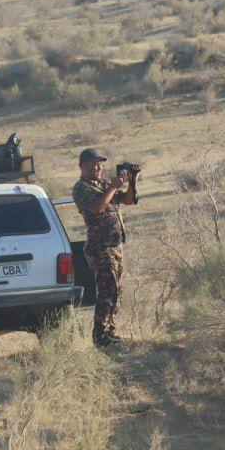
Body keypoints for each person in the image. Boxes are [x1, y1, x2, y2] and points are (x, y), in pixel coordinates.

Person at [71, 148, 129, 348]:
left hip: (115, 245)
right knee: (106, 289)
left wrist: (133, 180)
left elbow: (129, 200)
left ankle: (109, 331)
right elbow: (97, 208)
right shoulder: (81, 188)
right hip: (99, 246)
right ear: (83, 166)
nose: (99, 167)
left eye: (100, 163)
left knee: (116, 290)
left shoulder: (104, 184)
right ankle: (100, 337)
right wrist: (112, 188)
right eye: (94, 163)